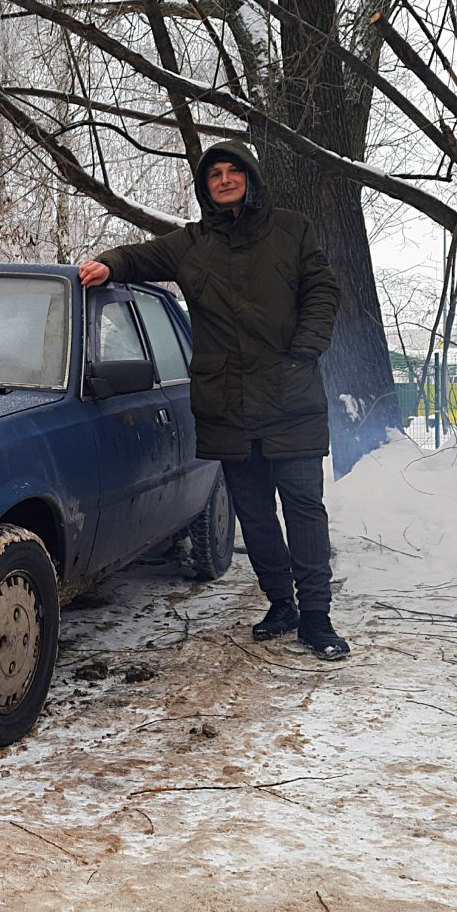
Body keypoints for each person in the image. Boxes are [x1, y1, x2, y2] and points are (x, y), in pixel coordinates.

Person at [78, 140, 350, 660]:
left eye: (233, 172)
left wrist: (304, 348)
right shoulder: (192, 244)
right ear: (206, 187)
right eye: (214, 175)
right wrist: (107, 265)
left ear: (250, 177)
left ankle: (316, 617)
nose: (224, 180)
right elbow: (140, 257)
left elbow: (322, 290)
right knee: (253, 511)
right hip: (226, 402)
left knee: (303, 510)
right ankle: (280, 604)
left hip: (290, 395)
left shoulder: (291, 229)